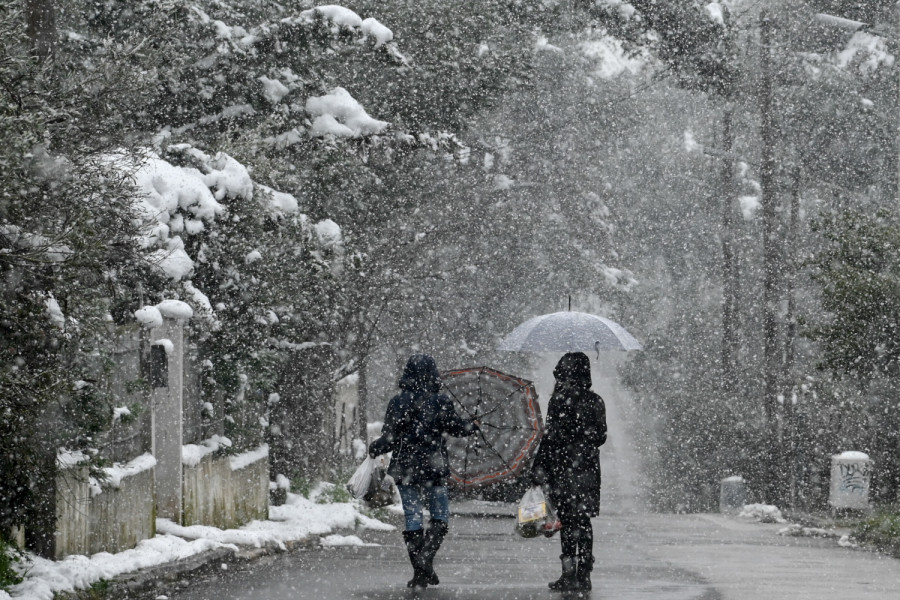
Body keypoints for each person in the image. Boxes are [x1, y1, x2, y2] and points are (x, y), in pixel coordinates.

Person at [368, 354, 479, 589]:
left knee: (413, 516)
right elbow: (456, 428)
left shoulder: (397, 402)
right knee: (440, 514)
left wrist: (375, 447)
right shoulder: (441, 401)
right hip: (434, 466)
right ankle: (425, 561)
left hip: (405, 467)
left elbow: (389, 439)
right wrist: (471, 425)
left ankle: (420, 572)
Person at [530, 352, 607, 592]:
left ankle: (568, 574)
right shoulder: (596, 401)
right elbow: (601, 437)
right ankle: (584, 575)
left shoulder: (559, 400)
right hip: (587, 470)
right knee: (583, 522)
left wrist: (538, 468)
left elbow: (551, 437)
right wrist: (583, 437)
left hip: (563, 468)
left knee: (566, 521)